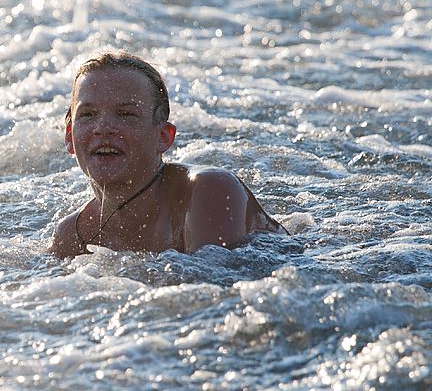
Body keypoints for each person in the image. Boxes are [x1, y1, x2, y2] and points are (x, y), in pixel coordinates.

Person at [49, 51, 286, 258]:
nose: (103, 128)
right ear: (70, 137)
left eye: (126, 114)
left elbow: (213, 296)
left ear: (164, 137)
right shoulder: (71, 235)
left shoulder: (209, 191)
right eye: (88, 115)